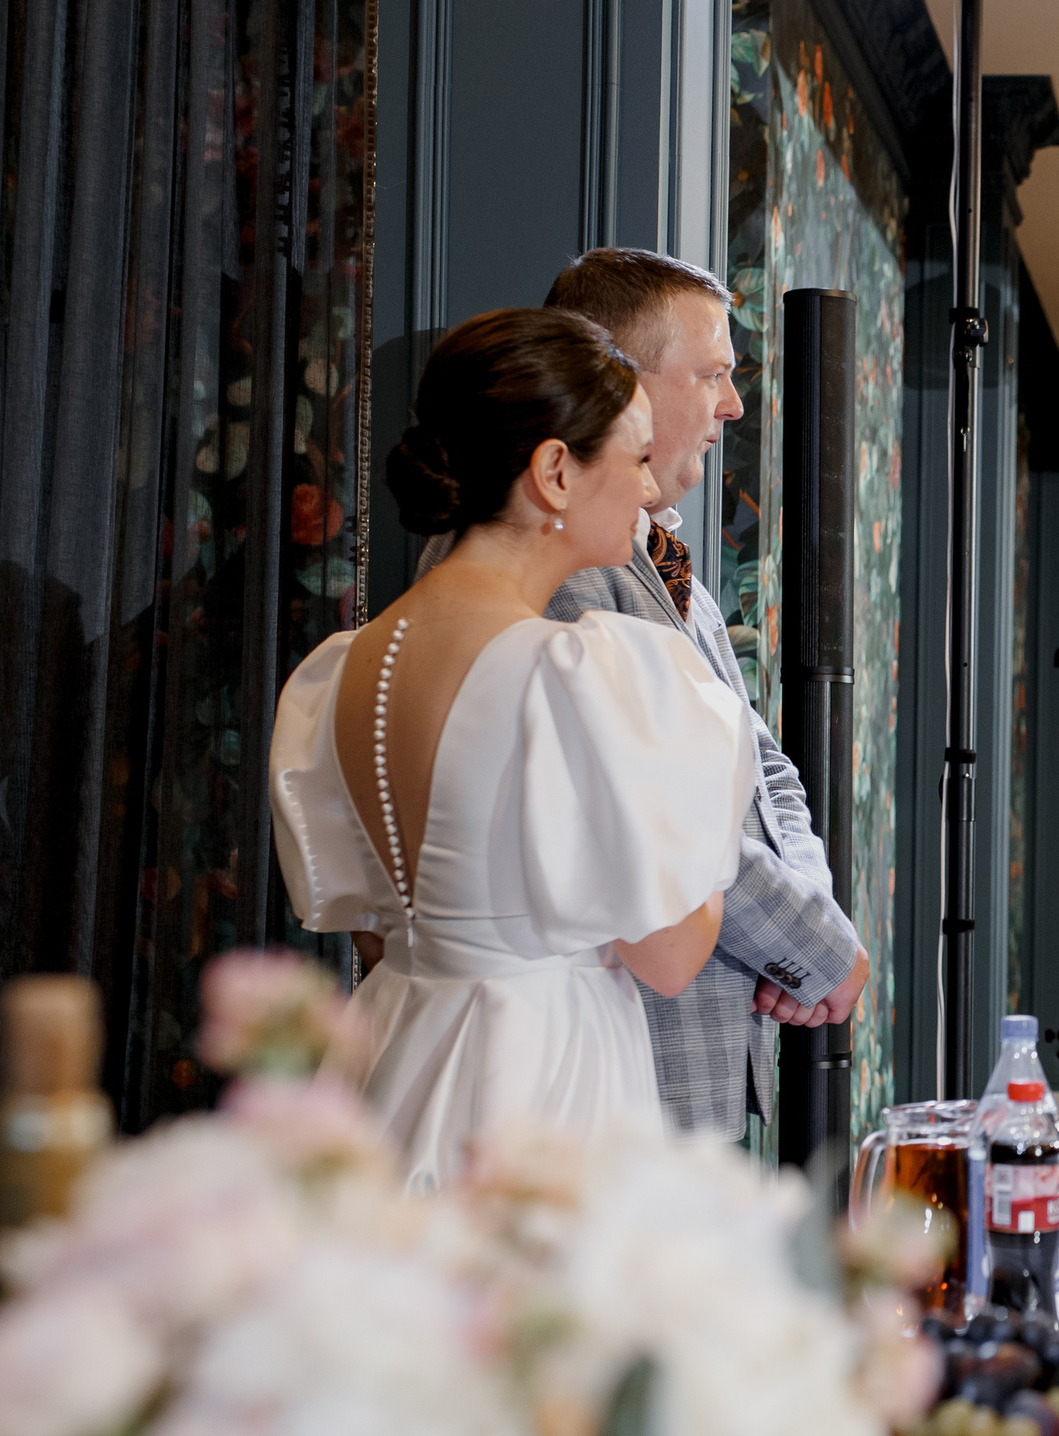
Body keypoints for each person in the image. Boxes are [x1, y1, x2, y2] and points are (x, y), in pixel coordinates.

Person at [270, 309, 754, 1187]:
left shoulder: (343, 667)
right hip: (540, 1083)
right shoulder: (578, 671)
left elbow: (380, 934)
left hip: (396, 1056)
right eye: (637, 458)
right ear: (556, 472)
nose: (650, 492)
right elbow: (672, 954)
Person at [446, 247, 867, 1142]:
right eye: (713, 374)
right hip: (621, 1051)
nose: (733, 405)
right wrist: (817, 954)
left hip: (700, 1034)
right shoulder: (556, 575)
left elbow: (763, 771)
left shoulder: (672, 569)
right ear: (619, 379)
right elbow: (665, 829)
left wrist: (813, 909)